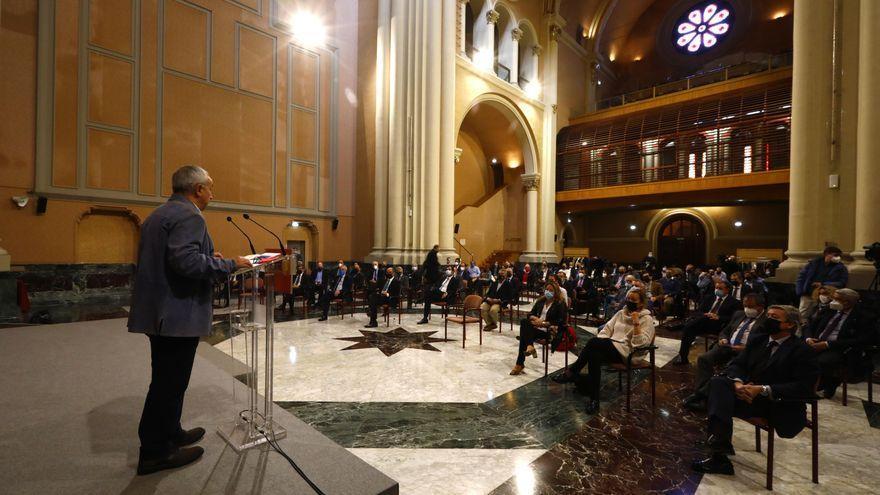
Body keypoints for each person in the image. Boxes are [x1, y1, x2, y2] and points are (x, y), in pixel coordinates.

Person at [128, 165, 252, 475]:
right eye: (210, 188)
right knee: (169, 383)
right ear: (197, 189)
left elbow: (177, 257)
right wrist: (228, 263)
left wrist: (209, 258)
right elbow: (185, 262)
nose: (212, 193)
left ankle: (171, 432)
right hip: (176, 313)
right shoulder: (190, 215)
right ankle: (155, 452)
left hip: (160, 312)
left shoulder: (160, 213)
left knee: (169, 380)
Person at [692, 305, 819, 476]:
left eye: (774, 318)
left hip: (777, 403)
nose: (768, 320)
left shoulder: (802, 350)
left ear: (789, 325)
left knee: (717, 399)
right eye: (768, 316)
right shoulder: (759, 340)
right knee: (718, 383)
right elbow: (737, 364)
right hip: (747, 394)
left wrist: (762, 389)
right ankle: (720, 453)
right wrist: (737, 384)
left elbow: (803, 387)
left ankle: (717, 442)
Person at [553, 289, 654, 414]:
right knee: (594, 355)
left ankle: (572, 371)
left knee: (593, 343)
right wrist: (605, 343)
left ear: (641, 303)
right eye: (628, 299)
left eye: (634, 300)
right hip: (611, 348)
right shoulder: (620, 313)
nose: (630, 302)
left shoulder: (647, 319)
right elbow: (605, 330)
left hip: (629, 353)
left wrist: (636, 323)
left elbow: (641, 344)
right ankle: (594, 400)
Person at [682, 293, 768, 411]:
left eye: (750, 306)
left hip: (744, 351)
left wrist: (744, 348)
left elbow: (763, 343)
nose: (747, 309)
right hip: (726, 346)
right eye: (745, 305)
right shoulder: (739, 314)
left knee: (726, 370)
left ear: (760, 306)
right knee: (704, 359)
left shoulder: (766, 321)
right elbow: (725, 330)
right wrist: (723, 338)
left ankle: (700, 396)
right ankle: (702, 395)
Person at [803, 288, 873, 398]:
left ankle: (827, 385)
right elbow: (809, 325)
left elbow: (861, 340)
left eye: (837, 299)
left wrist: (828, 344)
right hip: (816, 342)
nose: (832, 301)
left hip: (840, 347)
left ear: (847, 302)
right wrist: (808, 338)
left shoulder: (863, 316)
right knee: (794, 353)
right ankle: (799, 383)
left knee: (824, 361)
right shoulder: (829, 309)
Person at [673, 280, 741, 365]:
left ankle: (683, 325)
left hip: (718, 325)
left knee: (690, 326)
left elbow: (733, 319)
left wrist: (718, 317)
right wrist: (705, 314)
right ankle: (683, 357)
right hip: (702, 323)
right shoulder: (709, 297)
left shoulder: (734, 302)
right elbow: (699, 311)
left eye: (720, 288)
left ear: (727, 290)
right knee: (689, 329)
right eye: (716, 288)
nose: (717, 290)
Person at [510, 282, 568, 376]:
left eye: (551, 290)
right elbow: (530, 314)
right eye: (547, 290)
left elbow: (561, 322)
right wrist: (535, 319)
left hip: (549, 331)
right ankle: (529, 347)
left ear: (556, 292)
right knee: (524, 322)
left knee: (524, 335)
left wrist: (543, 323)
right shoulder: (541, 301)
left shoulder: (560, 304)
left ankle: (520, 363)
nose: (548, 292)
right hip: (535, 328)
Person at [795, 246, 848, 320]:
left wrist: (823, 284)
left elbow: (842, 282)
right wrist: (800, 291)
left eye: (839, 256)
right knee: (802, 315)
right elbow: (801, 277)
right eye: (835, 255)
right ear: (827, 254)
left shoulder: (841, 268)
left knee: (818, 317)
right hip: (808, 294)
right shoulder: (813, 264)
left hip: (825, 295)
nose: (838, 257)